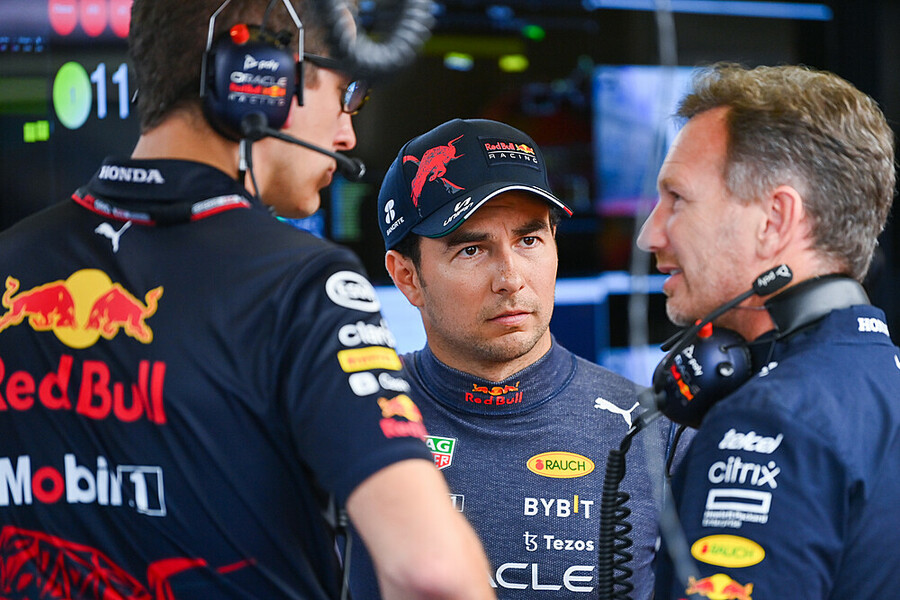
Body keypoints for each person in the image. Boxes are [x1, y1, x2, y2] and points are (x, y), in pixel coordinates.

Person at [0, 2, 495, 599]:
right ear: (256, 75)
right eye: (345, 93)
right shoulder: (304, 283)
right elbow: (432, 572)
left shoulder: (11, 263)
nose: (347, 134)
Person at [349, 118, 685, 600]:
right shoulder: (351, 414)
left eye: (529, 241)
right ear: (407, 277)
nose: (510, 278)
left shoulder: (658, 430)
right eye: (471, 249)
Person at [637, 63, 900, 599]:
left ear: (775, 220)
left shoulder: (769, 420)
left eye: (677, 198)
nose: (650, 234)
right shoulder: (879, 384)